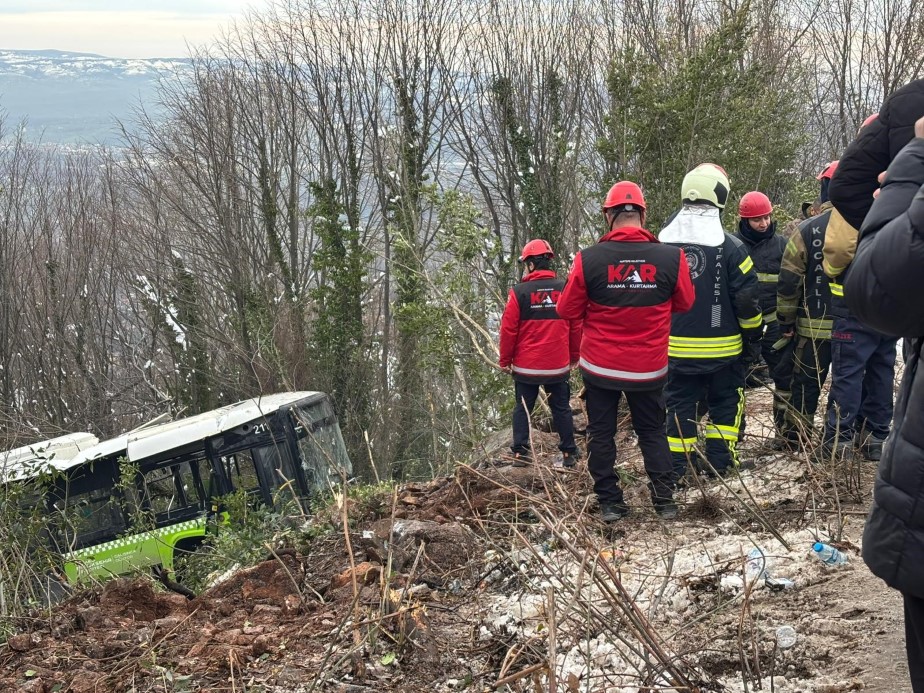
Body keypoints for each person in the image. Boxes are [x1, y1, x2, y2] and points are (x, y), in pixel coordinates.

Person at [557, 181, 694, 521]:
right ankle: (664, 501)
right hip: (648, 368)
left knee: (601, 432)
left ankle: (610, 502)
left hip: (601, 368)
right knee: (652, 431)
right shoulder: (671, 257)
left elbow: (566, 310)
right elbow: (685, 302)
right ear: (642, 214)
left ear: (609, 215)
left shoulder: (588, 260)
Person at [846, 115, 924, 692]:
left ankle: (845, 437)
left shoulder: (819, 230)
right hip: (861, 333)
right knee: (864, 392)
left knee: (861, 392)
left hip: (858, 327)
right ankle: (852, 435)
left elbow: (872, 281)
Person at [825, 82, 924, 459]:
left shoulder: (906, 107)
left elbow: (837, 252)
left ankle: (840, 441)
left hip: (861, 305)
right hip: (883, 306)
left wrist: (892, 228)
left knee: (852, 374)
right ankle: (875, 438)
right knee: (882, 371)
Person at [660, 164, 762, 480]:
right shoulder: (733, 248)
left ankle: (678, 471)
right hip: (725, 352)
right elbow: (747, 301)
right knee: (725, 405)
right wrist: (754, 336)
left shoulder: (661, 245)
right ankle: (720, 465)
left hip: (675, 351)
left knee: (679, 408)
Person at [499, 239, 581, 466]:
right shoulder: (565, 288)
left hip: (527, 367)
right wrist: (574, 356)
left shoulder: (519, 292)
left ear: (532, 264)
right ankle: (569, 453)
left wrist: (505, 360)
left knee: (523, 408)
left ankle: (520, 454)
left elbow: (508, 329)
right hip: (557, 366)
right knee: (561, 408)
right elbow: (576, 325)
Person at [775, 167, 837, 448]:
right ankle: (841, 442)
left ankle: (795, 439)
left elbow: (788, 281)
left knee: (805, 385)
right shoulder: (869, 223)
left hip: (812, 329)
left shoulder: (807, 229)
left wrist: (786, 321)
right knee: (848, 386)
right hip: (857, 329)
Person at [733, 191, 792, 442]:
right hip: (742, 327)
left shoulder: (782, 245)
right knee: (735, 382)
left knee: (785, 378)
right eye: (757, 219)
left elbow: (793, 283)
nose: (763, 223)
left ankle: (787, 434)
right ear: (745, 220)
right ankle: (735, 435)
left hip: (775, 324)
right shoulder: (732, 246)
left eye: (766, 217)